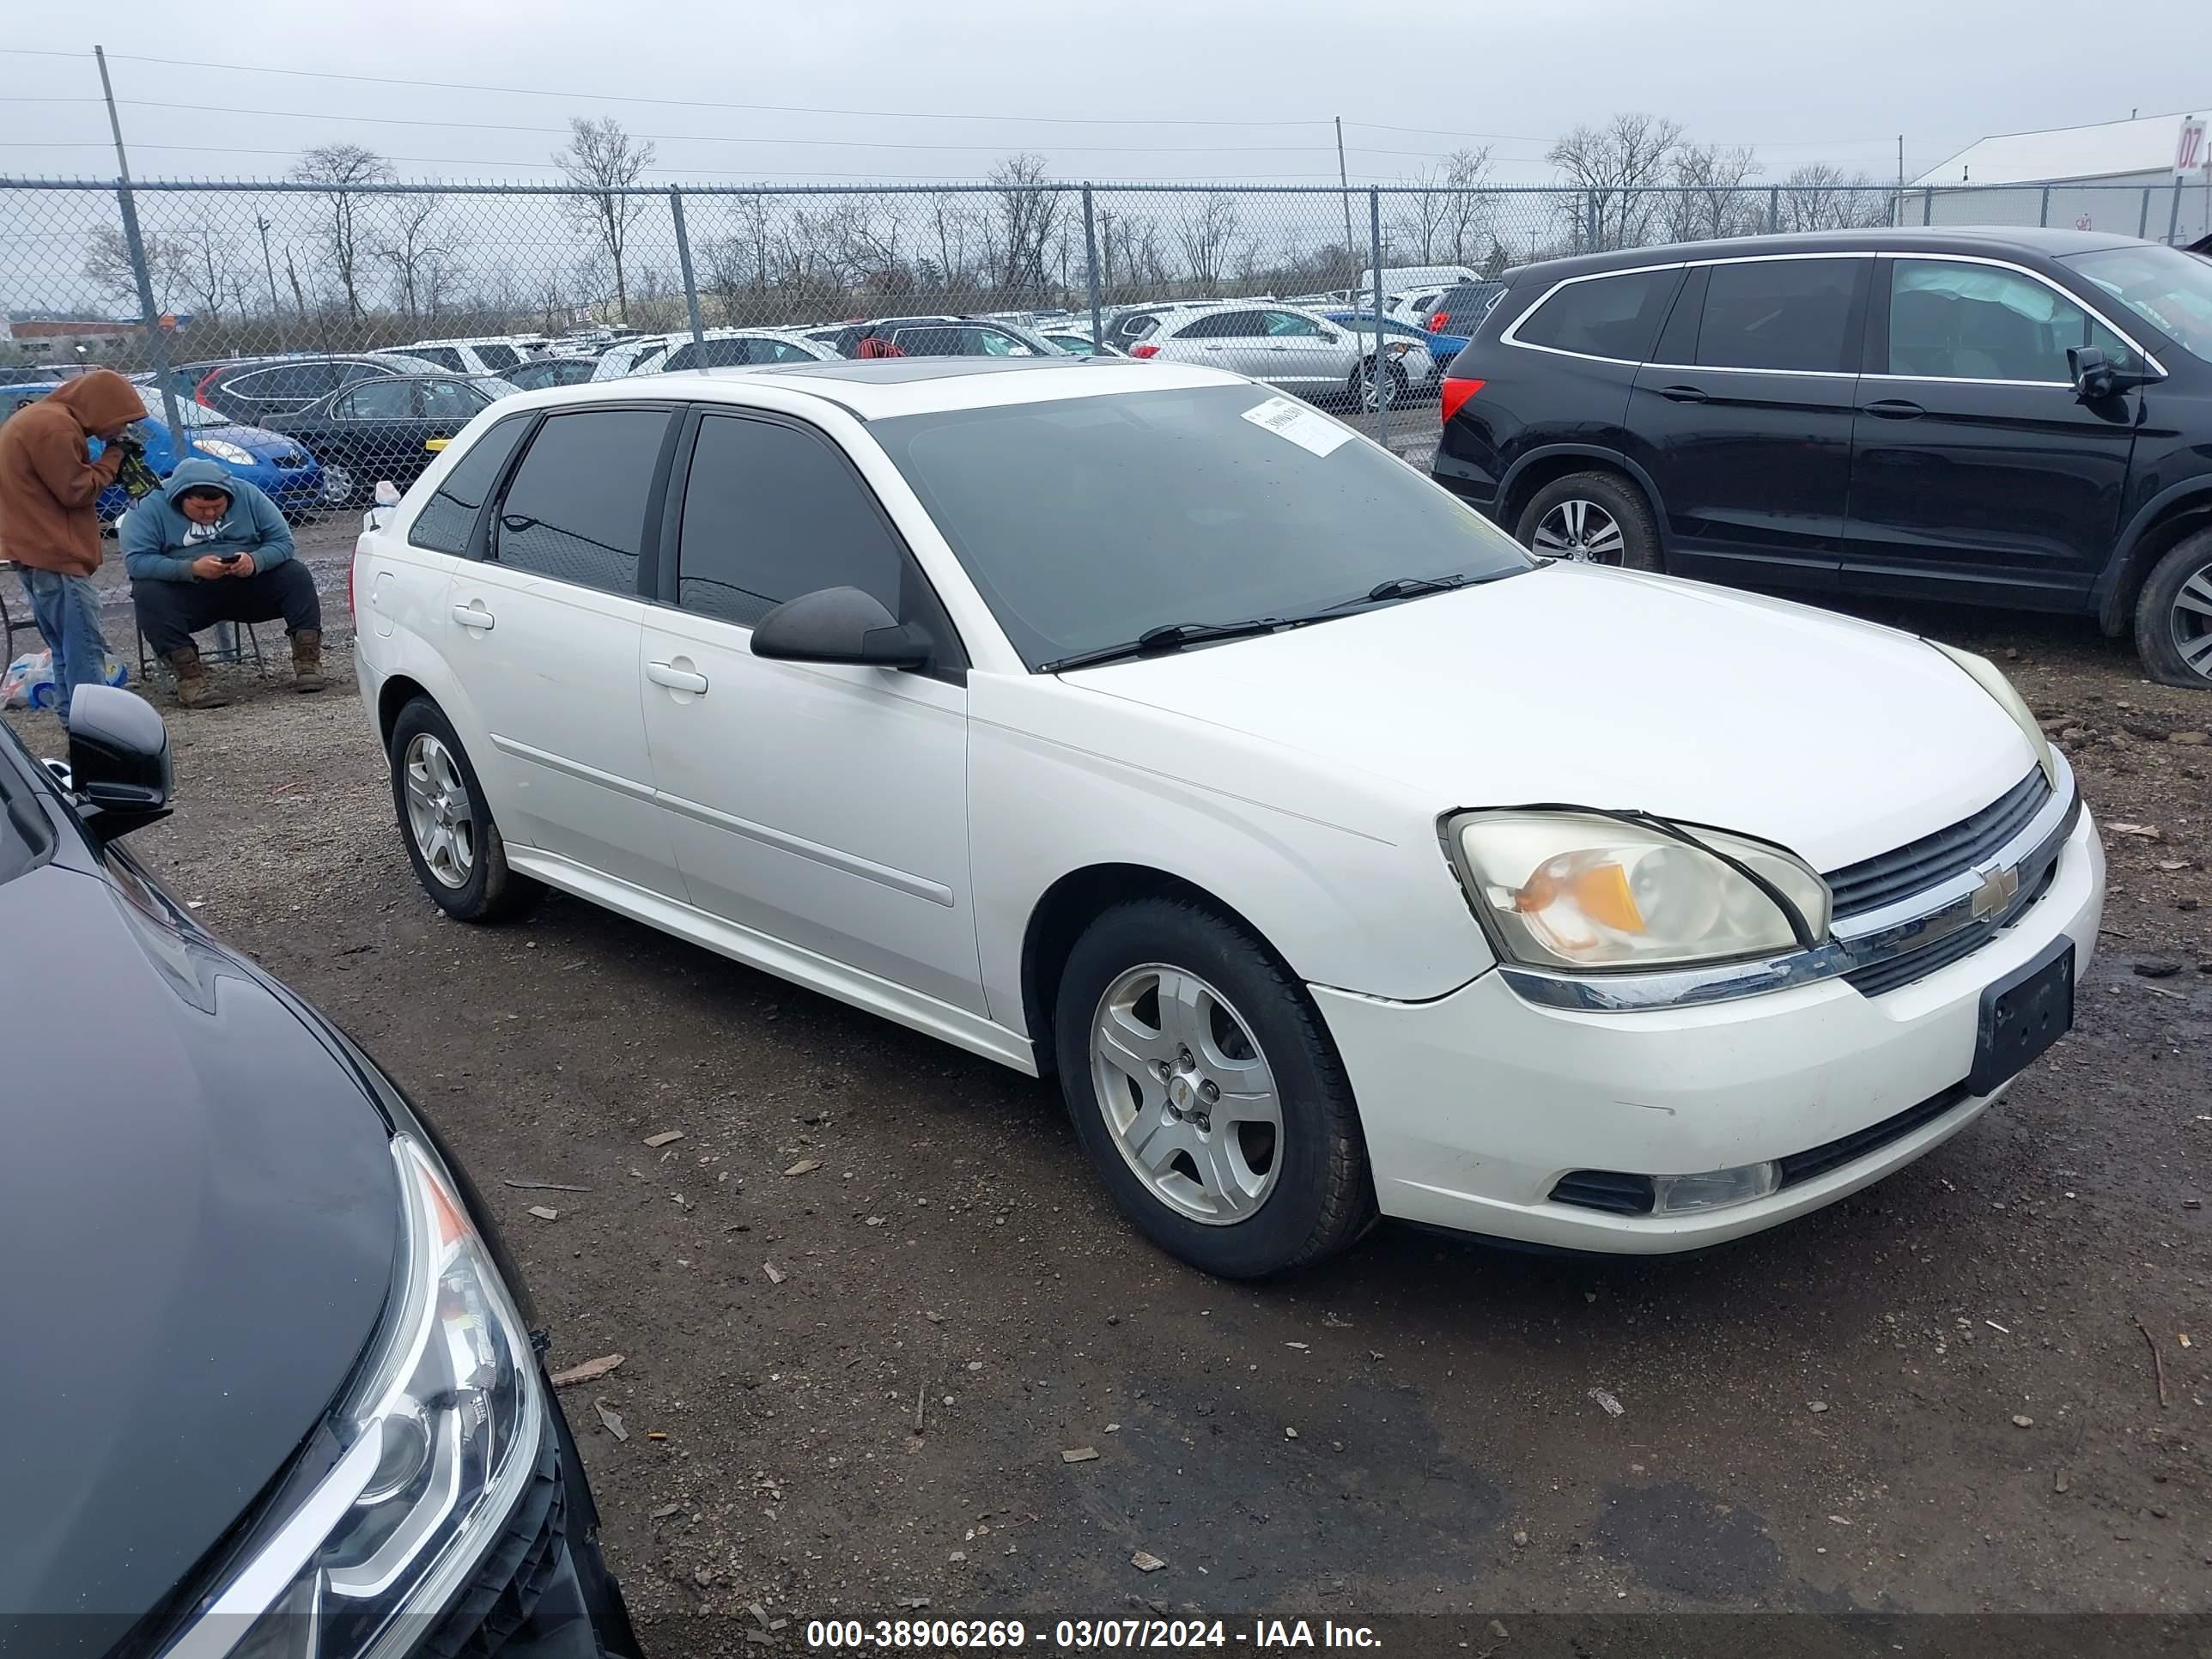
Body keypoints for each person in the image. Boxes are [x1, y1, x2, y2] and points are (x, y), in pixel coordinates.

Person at [0, 368, 147, 720]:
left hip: (34, 551)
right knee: (84, 648)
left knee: (65, 648)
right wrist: (114, 456)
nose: (122, 429)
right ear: (101, 406)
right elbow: (76, 490)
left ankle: (73, 720)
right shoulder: (56, 427)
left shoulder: (37, 419)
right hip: (56, 556)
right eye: (121, 420)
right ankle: (94, 727)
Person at [120, 458, 324, 708]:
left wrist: (254, 560)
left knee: (296, 574)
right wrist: (190, 568)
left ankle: (307, 661)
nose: (210, 514)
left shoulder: (248, 494)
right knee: (147, 591)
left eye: (218, 507)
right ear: (179, 499)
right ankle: (190, 679)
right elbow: (138, 562)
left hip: (245, 587)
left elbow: (283, 543)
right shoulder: (148, 505)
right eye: (200, 509)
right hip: (187, 595)